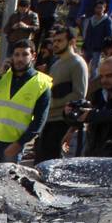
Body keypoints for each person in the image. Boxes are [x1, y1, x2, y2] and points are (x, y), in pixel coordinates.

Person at [0, 40, 51, 164]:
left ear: (33, 56)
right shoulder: (2, 76)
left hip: (13, 143)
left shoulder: (41, 83)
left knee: (7, 182)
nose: (20, 59)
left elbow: (39, 121)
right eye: (16, 54)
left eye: (25, 54)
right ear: (11, 57)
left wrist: (19, 144)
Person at [34, 24, 88, 162]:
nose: (55, 44)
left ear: (71, 42)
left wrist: (52, 103)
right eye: (54, 41)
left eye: (60, 41)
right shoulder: (56, 63)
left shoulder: (77, 63)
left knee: (55, 164)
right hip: (48, 121)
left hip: (62, 123)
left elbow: (79, 95)